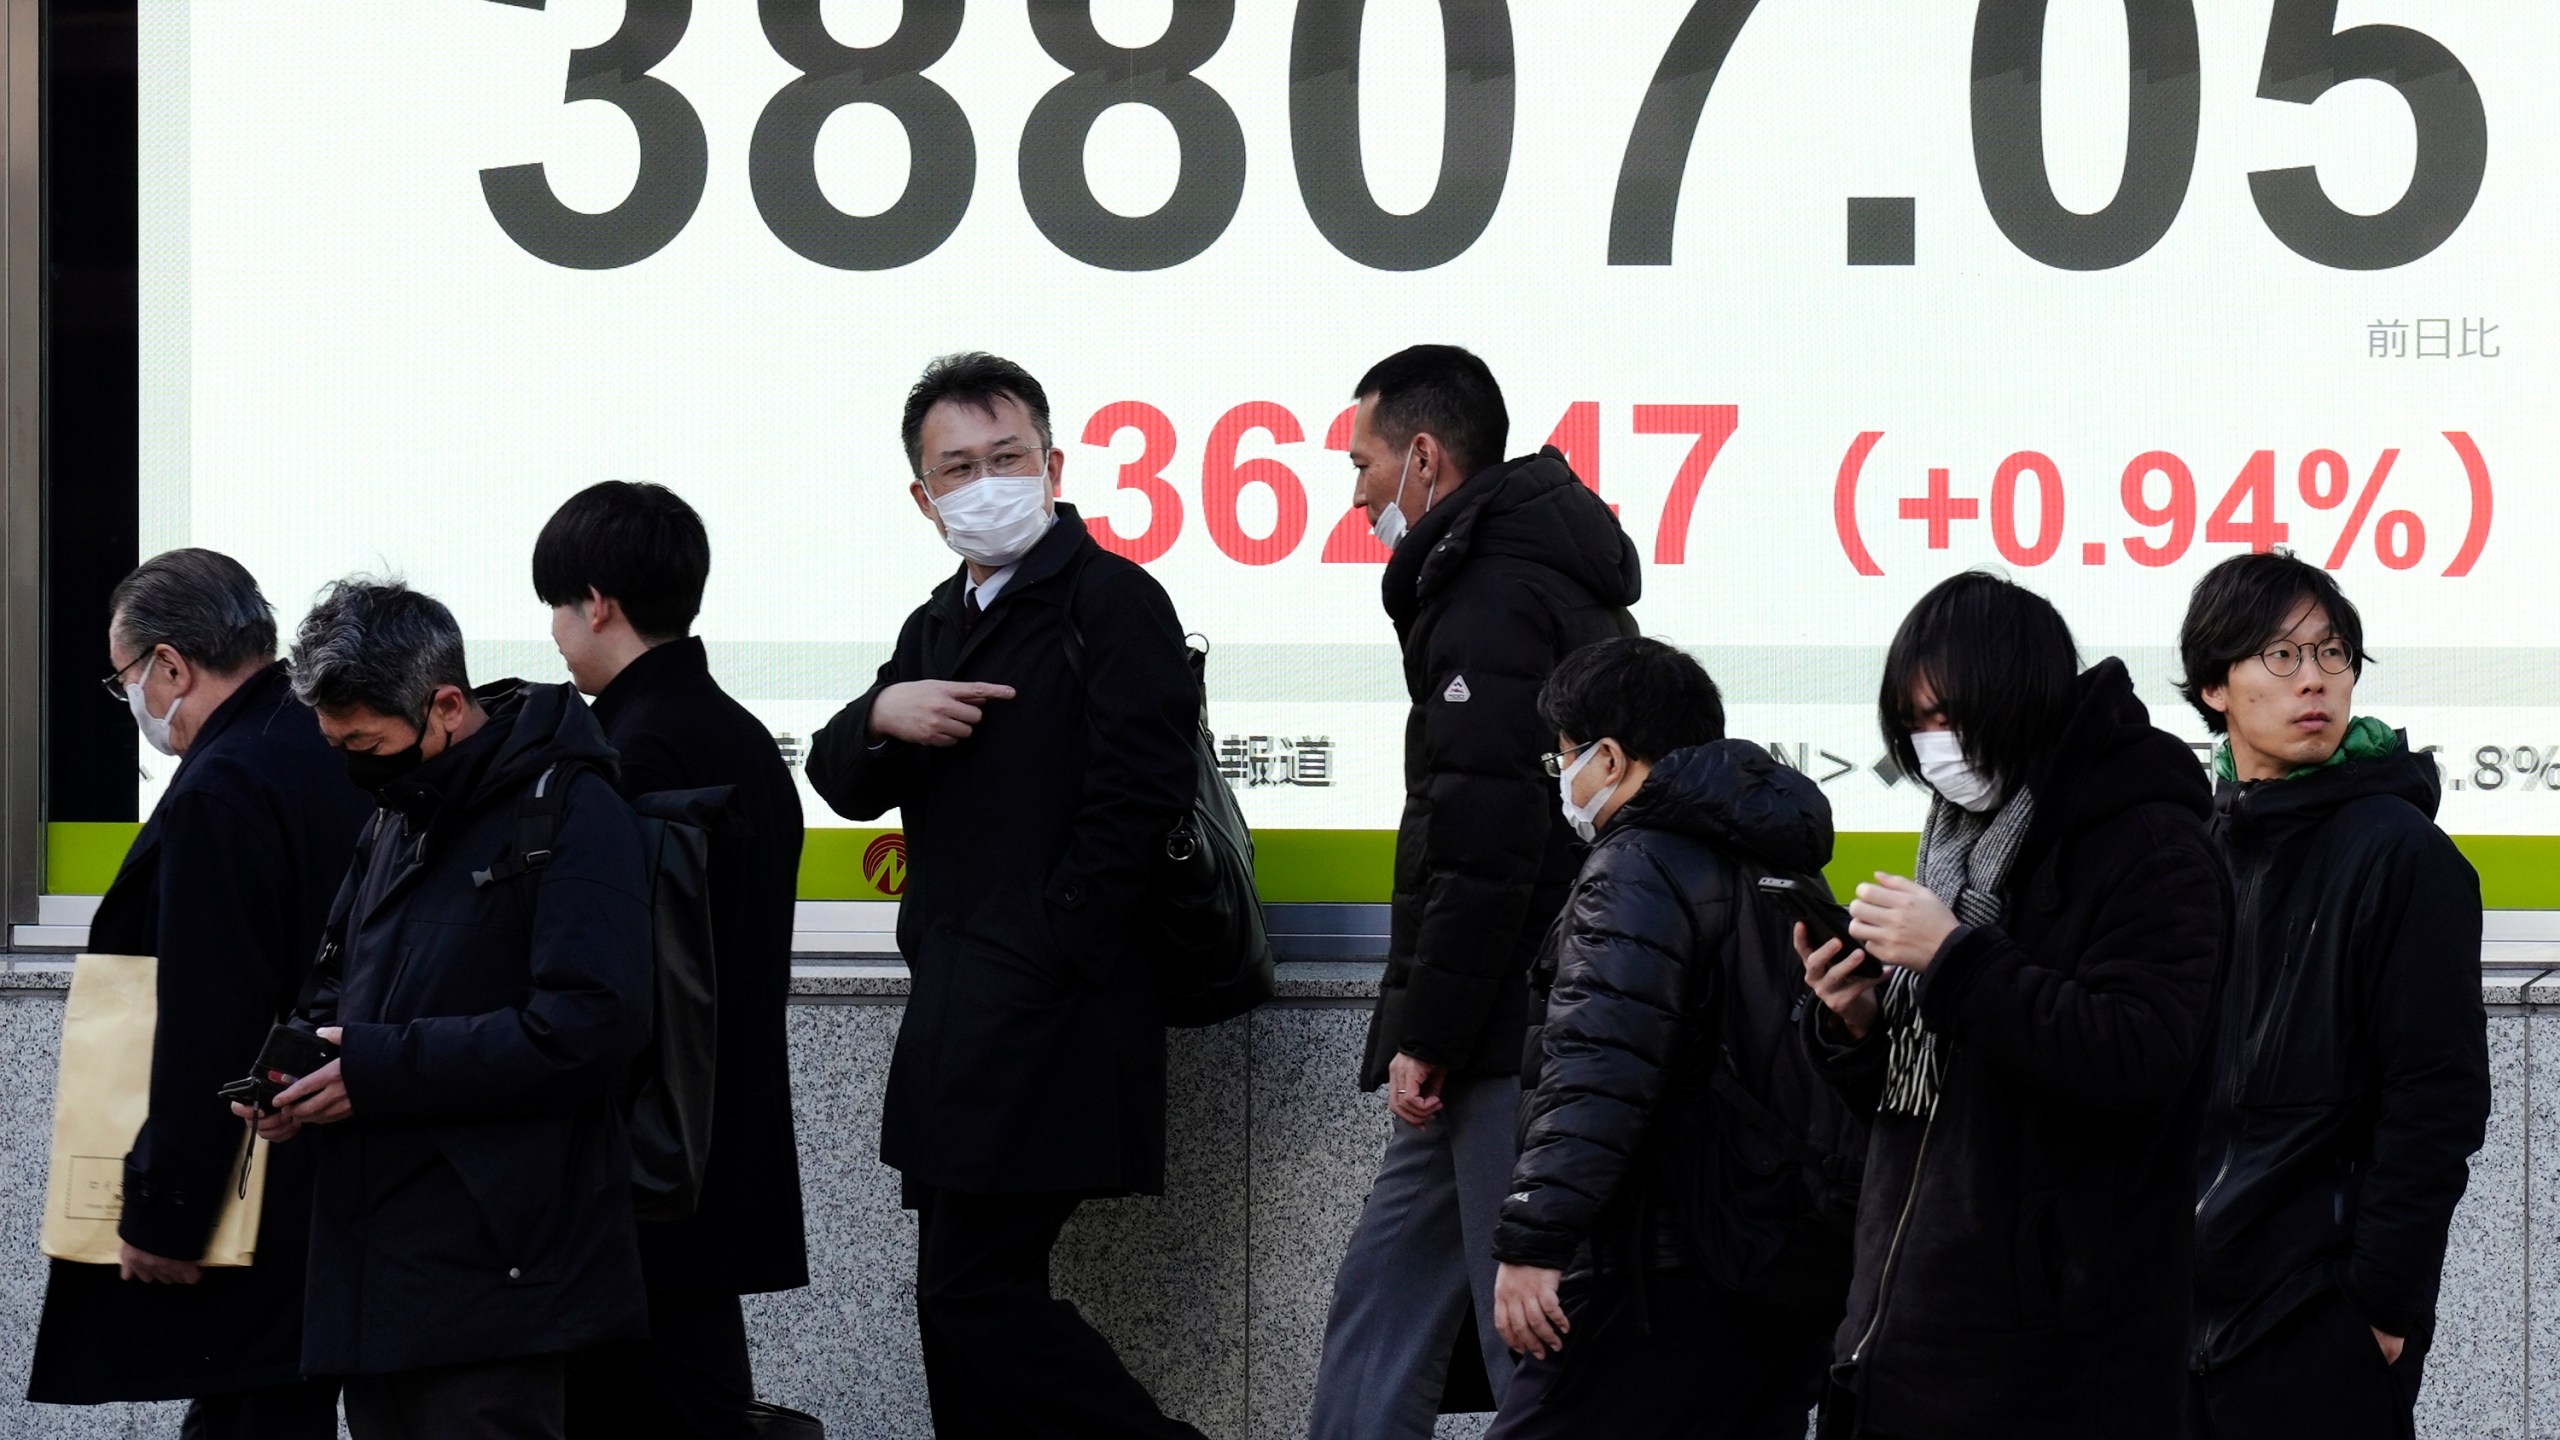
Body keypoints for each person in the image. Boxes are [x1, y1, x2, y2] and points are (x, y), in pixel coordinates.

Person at [805, 352, 1203, 1438]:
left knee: (974, 1289)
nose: (986, 484)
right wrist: (883, 713)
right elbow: (841, 779)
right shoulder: (938, 621)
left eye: (1007, 458)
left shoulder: (1112, 600)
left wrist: (1051, 941)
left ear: (1053, 463)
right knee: (956, 1298)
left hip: (1051, 1010)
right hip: (957, 1006)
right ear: (923, 497)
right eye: (958, 468)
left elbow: (1142, 796)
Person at [1797, 571, 2224, 1439]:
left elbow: (2141, 1056)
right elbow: (1924, 1102)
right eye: (1913, 725)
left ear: (2021, 698)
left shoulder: (2149, 842)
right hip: (1904, 1333)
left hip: (2055, 1365)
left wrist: (1953, 957)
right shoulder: (1955, 841)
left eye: (1949, 717)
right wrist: (1857, 1022)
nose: (1933, 747)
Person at [1309, 343, 1640, 1437]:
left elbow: (1489, 841)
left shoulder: (1490, 592)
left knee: (1525, 1326)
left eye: (1361, 464)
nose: (1354, 494)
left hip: (1507, 1028)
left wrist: (1433, 1033)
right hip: (1492, 1017)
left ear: (1422, 456)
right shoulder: (1512, 570)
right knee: (1383, 1303)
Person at [238, 578, 654, 1440]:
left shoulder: (568, 808)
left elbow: (591, 1025)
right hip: (380, 1268)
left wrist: (380, 1071)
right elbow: (339, 987)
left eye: (367, 743)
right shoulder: (398, 813)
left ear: (448, 706)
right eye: (336, 744)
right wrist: (294, 1077)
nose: (355, 765)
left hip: (499, 1268)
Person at [27, 549, 372, 1439]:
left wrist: (165, 1211)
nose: (132, 702)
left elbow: (209, 1019)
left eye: (125, 679)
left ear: (171, 665)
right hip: (349, 1166)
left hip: (262, 1178)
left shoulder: (225, 786)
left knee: (249, 1416)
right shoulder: (320, 745)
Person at [1484, 637, 1841, 1439]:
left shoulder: (1638, 863)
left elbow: (1597, 1068)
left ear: (1608, 758)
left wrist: (1536, 1239)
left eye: (1564, 756)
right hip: (1772, 1260)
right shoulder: (1776, 861)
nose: (1562, 777)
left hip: (1657, 1266)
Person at [2177, 553, 2489, 1439]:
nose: (2313, 680)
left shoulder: (2400, 854)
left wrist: (2382, 1308)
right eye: (2280, 656)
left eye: (2332, 653)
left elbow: (2437, 1099)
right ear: (2214, 686)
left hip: (2316, 1315)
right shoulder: (2197, 846)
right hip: (2179, 1309)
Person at [536, 481, 810, 1440]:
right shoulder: (737, 736)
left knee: (649, 1406)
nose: (556, 634)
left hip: (642, 1158)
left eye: (557, 607)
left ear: (597, 602)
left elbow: (611, 975)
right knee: (694, 1393)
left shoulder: (624, 753)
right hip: (715, 1147)